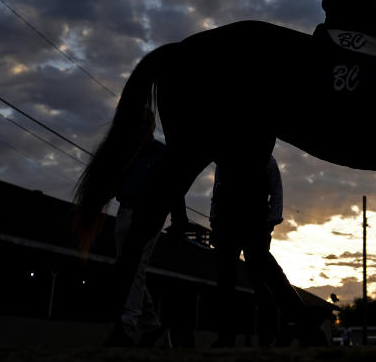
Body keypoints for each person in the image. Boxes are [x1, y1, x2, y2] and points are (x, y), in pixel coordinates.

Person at [209, 155, 305, 346]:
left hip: (256, 223)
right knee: (226, 281)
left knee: (263, 277)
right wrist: (214, 218)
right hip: (227, 223)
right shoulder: (225, 158)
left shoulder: (267, 160)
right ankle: (226, 336)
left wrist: (271, 221)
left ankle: (296, 320)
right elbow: (217, 188)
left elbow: (277, 193)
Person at [104, 137, 189, 347]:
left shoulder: (161, 153)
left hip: (148, 214)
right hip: (125, 209)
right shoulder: (128, 152)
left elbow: (175, 186)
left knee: (134, 267)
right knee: (130, 267)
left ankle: (127, 325)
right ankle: (151, 325)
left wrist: (178, 219)